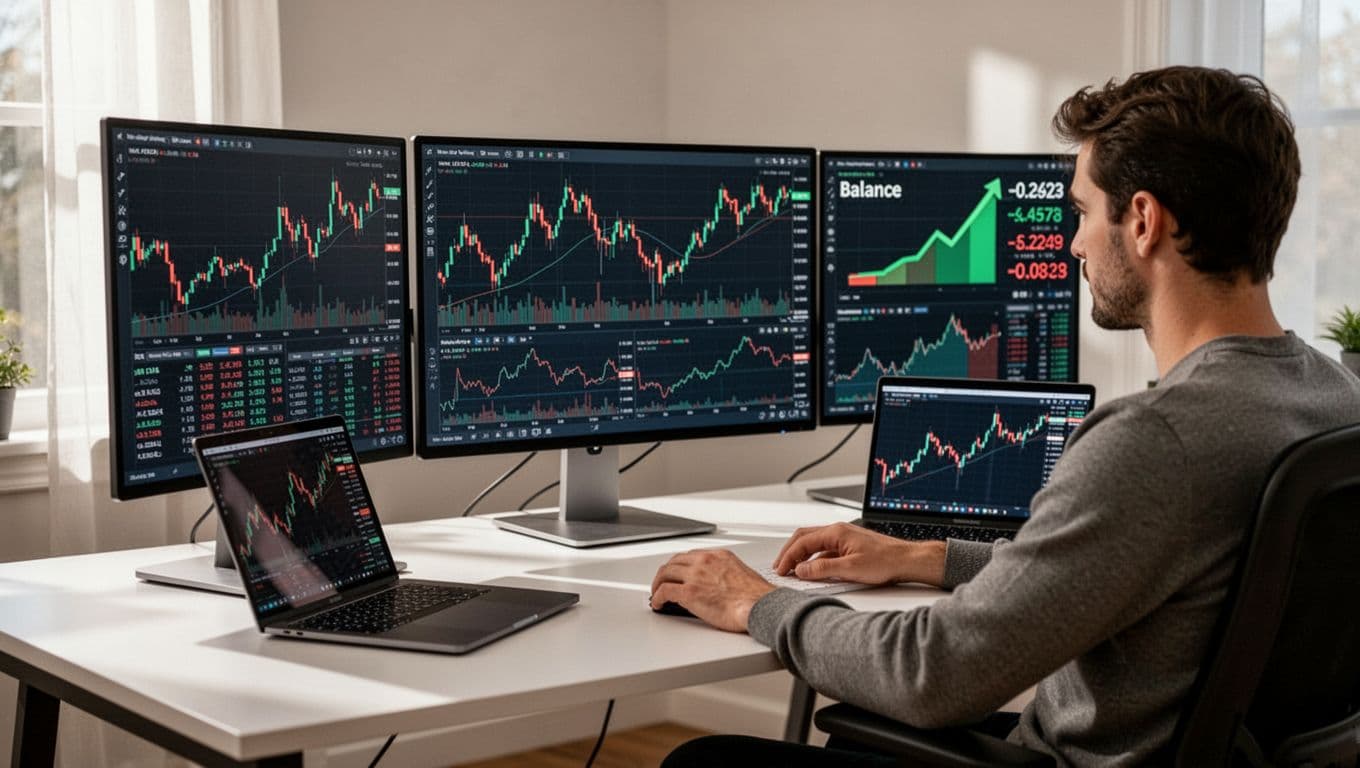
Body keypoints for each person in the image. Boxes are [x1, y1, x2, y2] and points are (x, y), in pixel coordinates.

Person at [651, 66, 1360, 767]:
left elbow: (935, 675)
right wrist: (927, 558)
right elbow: (1142, 568)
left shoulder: (1154, 440)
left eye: (1081, 212)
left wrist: (755, 602)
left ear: (1143, 221)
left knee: (705, 761)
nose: (1073, 243)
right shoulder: (1335, 398)